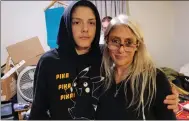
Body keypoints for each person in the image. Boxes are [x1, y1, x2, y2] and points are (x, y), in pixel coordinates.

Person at [29, 0, 178, 120]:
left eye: (91, 22)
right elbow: (38, 112)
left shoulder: (103, 54)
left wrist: (168, 91)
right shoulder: (49, 62)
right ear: (67, 23)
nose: (85, 29)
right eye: (77, 22)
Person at [95, 14, 177, 120]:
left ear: (137, 45)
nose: (121, 50)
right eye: (115, 41)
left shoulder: (155, 79)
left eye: (128, 42)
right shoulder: (100, 73)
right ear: (107, 41)